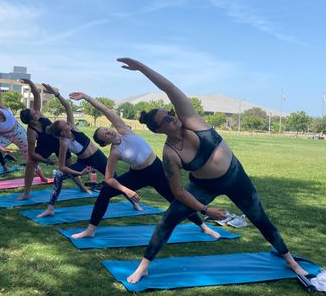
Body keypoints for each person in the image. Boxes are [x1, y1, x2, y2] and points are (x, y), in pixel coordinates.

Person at [113, 58, 308, 284]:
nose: (172, 117)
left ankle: (290, 260)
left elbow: (169, 88)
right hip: (203, 186)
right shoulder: (170, 154)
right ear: (159, 130)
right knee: (168, 220)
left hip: (235, 176)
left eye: (170, 114)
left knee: (259, 217)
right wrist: (206, 210)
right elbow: (178, 192)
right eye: (166, 119)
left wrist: (142, 68)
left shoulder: (191, 120)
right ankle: (144, 267)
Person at [67, 92, 219, 240]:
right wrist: (127, 190)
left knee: (177, 199)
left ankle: (203, 226)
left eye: (106, 129)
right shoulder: (115, 153)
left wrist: (86, 97)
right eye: (105, 135)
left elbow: (106, 110)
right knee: (105, 192)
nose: (108, 132)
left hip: (157, 169)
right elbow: (108, 178)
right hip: (138, 175)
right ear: (104, 143)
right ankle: (91, 229)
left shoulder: (123, 129)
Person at [38, 87, 141, 218]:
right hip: (84, 162)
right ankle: (50, 208)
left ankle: (134, 202)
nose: (68, 123)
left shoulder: (73, 128)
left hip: (98, 157)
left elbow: (67, 107)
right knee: (59, 175)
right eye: (66, 125)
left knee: (115, 179)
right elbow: (62, 166)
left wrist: (57, 94)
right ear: (62, 132)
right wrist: (79, 173)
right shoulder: (63, 143)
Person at [0, 59, 49, 192]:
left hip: (18, 132)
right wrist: (3, 148)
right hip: (4, 136)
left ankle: (41, 176)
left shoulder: (0, 105)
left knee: (29, 156)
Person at [18, 80, 88, 199]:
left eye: (34, 110)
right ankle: (26, 193)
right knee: (30, 163)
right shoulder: (31, 132)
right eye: (33, 113)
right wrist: (48, 161)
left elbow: (36, 95)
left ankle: (82, 187)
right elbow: (32, 153)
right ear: (31, 120)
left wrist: (29, 82)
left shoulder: (39, 115)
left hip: (59, 142)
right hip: (44, 146)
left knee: (69, 167)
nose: (36, 111)